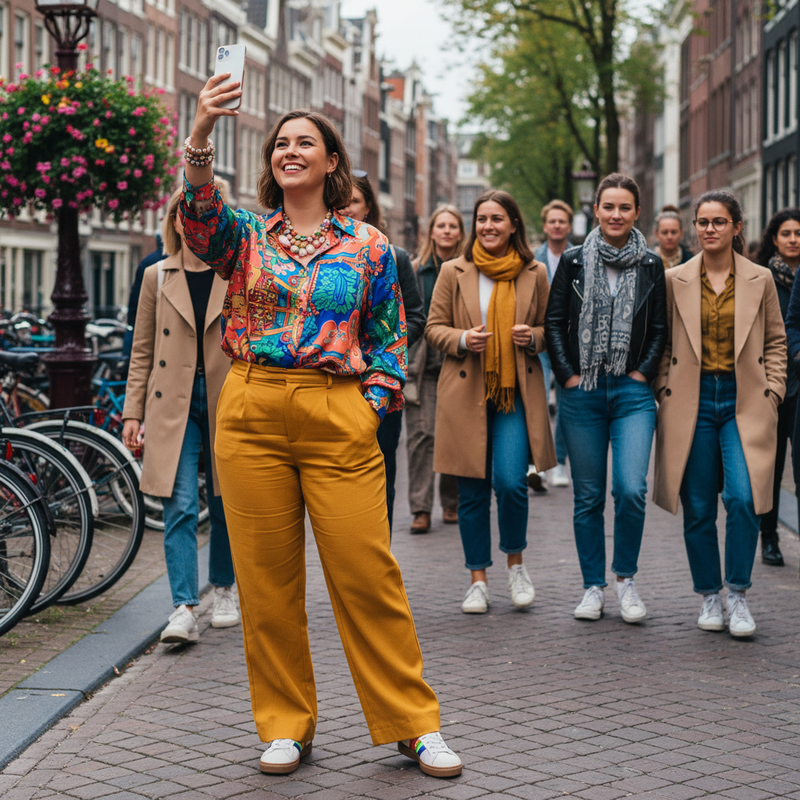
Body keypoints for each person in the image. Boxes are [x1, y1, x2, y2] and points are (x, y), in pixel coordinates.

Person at [180, 75, 462, 780]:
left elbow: (391, 339)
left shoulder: (368, 246)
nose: (290, 151)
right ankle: (285, 725)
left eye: (305, 143)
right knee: (266, 582)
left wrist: (368, 410)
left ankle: (413, 724)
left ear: (331, 160)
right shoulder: (246, 236)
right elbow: (198, 222)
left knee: (368, 575)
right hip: (250, 409)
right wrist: (203, 131)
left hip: (337, 411)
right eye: (281, 144)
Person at [654, 190, 787, 637]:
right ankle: (710, 594)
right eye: (703, 222)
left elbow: (776, 340)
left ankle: (739, 594)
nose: (709, 229)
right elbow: (663, 343)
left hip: (743, 400)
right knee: (697, 506)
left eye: (718, 222)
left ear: (737, 227)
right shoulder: (674, 279)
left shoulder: (759, 279)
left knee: (744, 498)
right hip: (690, 400)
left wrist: (773, 392)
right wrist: (664, 389)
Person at [545, 173, 667, 623]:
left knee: (631, 489)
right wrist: (568, 376)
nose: (616, 215)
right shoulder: (574, 261)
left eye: (625, 208)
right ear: (595, 210)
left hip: (632, 393)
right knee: (589, 496)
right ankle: (592, 587)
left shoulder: (651, 264)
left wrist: (641, 373)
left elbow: (659, 328)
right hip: (584, 392)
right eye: (608, 207)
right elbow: (554, 322)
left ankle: (625, 580)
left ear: (637, 213)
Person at [426, 190, 555, 614]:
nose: (488, 226)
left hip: (513, 395)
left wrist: (532, 337)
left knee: (512, 483)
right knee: (472, 491)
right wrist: (463, 339)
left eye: (497, 218)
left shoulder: (535, 273)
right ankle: (478, 580)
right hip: (466, 393)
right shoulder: (453, 270)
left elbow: (550, 328)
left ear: (513, 224)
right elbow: (433, 327)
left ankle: (516, 564)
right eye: (482, 219)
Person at [121, 183, 239, 643]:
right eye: (185, 211)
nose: (194, 219)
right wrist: (132, 412)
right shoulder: (156, 275)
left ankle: (225, 589)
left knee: (227, 501)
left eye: (205, 211)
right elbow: (141, 349)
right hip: (173, 402)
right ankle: (184, 607)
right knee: (180, 503)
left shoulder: (236, 271)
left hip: (228, 397)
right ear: (175, 219)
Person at [340, 172, 425, 530]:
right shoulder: (321, 257)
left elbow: (416, 316)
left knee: (380, 470)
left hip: (379, 381)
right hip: (336, 383)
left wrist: (385, 350)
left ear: (369, 208)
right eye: (339, 201)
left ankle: (379, 546)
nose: (346, 208)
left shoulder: (393, 256)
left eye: (354, 201)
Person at [405, 205, 465, 533]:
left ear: (460, 233)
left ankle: (452, 502)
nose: (446, 231)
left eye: (452, 226)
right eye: (440, 225)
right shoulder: (415, 270)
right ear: (431, 231)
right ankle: (421, 508)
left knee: (455, 434)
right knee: (421, 435)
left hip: (458, 360)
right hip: (422, 364)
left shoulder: (469, 270)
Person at [756, 209, 800, 567]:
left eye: (798, 233)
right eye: (786, 233)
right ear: (774, 238)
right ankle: (769, 537)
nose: (793, 239)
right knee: (771, 468)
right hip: (773, 387)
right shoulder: (763, 278)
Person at [534, 199, 572, 489]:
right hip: (540, 339)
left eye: (562, 221)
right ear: (545, 226)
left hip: (569, 341)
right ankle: (536, 463)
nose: (557, 225)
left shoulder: (580, 256)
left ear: (568, 226)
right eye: (552, 221)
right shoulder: (532, 258)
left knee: (565, 403)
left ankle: (558, 462)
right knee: (536, 399)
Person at [653, 205, 693, 269]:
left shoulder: (691, 261)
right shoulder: (647, 261)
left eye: (674, 232)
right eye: (664, 232)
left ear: (681, 233)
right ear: (656, 234)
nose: (669, 237)